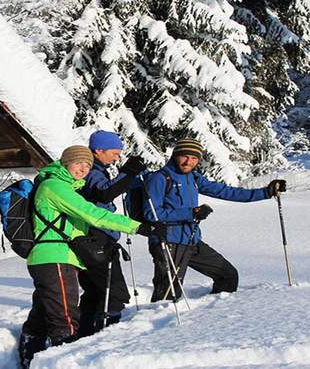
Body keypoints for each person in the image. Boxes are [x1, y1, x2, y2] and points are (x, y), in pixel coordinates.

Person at [19, 145, 163, 369]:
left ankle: (28, 357)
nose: (84, 169)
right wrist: (138, 227)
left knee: (44, 311)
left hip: (50, 257)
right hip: (56, 257)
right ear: (66, 163)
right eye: (78, 163)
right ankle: (59, 360)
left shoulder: (61, 187)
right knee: (64, 317)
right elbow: (93, 214)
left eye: (87, 165)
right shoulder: (55, 187)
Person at [143, 138, 287, 302]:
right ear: (175, 155)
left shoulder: (194, 178)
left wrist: (266, 192)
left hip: (191, 240)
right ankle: (153, 324)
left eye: (194, 158)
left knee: (228, 276)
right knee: (168, 296)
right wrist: (192, 213)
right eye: (184, 156)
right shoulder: (159, 178)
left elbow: (226, 192)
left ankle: (213, 316)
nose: (188, 161)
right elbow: (152, 214)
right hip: (167, 242)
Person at [76, 130, 147, 336]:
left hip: (91, 239)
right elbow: (104, 192)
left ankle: (84, 333)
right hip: (96, 238)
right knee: (113, 292)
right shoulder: (90, 171)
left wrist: (127, 176)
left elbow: (107, 190)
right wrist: (129, 173)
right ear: (99, 150)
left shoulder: (94, 170)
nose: (117, 157)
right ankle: (106, 336)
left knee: (95, 292)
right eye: (114, 153)